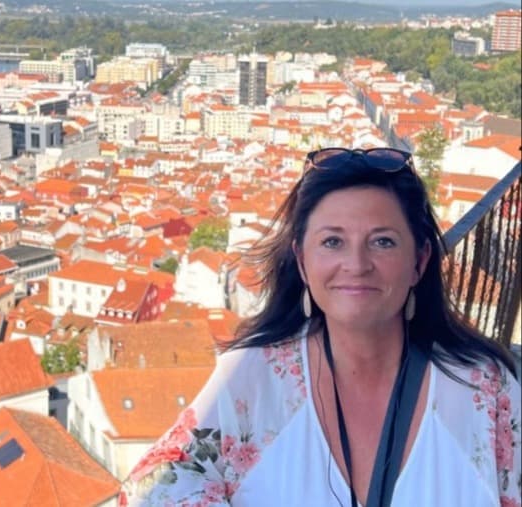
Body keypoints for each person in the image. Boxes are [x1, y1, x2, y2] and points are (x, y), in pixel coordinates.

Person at [121, 147, 520, 507]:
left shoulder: (484, 387)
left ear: (419, 261)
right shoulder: (252, 376)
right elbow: (151, 488)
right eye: (333, 242)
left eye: (382, 242)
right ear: (302, 261)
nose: (357, 264)